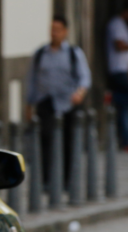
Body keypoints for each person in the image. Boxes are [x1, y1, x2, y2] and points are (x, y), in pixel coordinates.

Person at [26, 15, 92, 188]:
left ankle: (67, 180)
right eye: (52, 30)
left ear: (65, 31)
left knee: (68, 142)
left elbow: (84, 77)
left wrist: (80, 93)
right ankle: (47, 180)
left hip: (67, 103)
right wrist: (29, 104)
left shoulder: (73, 53)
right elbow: (32, 80)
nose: (54, 33)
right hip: (45, 102)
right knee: (45, 140)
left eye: (58, 30)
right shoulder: (41, 54)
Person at [107, 4, 128, 152]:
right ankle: (126, 140)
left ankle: (125, 138)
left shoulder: (122, 25)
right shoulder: (117, 24)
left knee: (124, 104)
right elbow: (119, 45)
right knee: (126, 105)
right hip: (119, 70)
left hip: (122, 70)